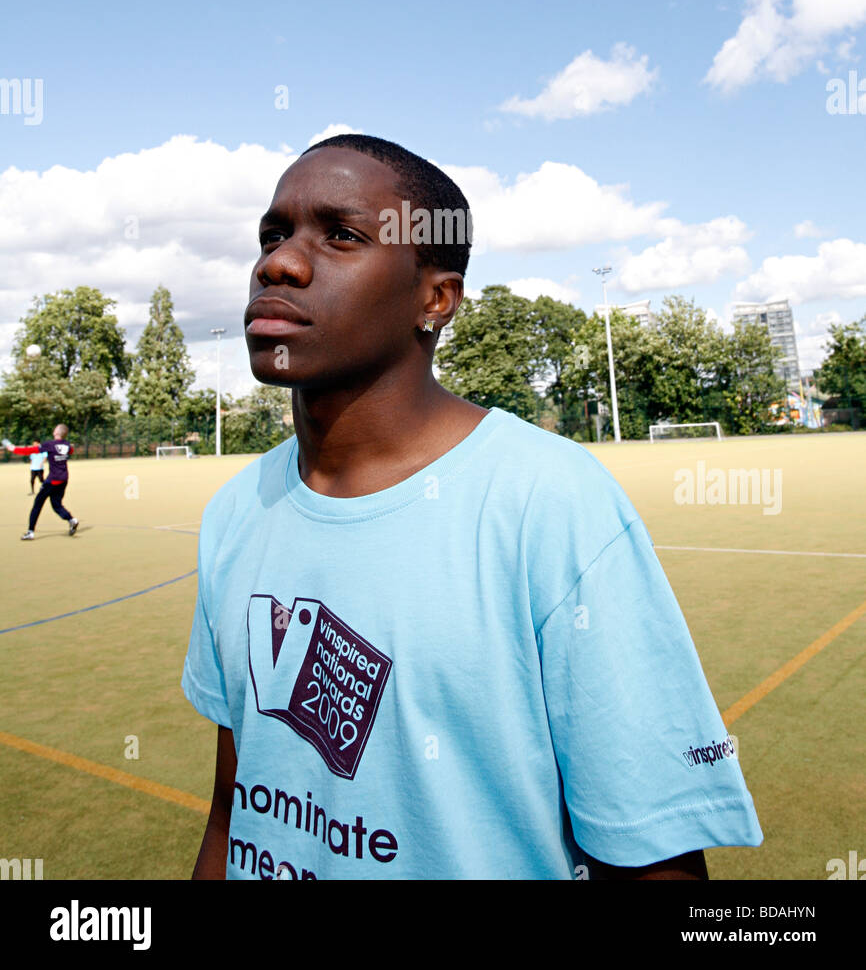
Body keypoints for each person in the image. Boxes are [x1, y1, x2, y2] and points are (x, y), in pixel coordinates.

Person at [182, 134, 763, 881]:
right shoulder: (237, 511)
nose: (280, 262)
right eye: (274, 234)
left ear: (435, 299)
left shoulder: (548, 503)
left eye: (342, 235)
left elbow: (655, 866)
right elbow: (233, 807)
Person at [5, 425, 80, 540]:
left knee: (37, 505)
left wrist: (14, 449)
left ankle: (30, 532)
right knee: (57, 505)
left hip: (52, 480)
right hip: (64, 479)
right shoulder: (67, 445)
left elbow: (31, 450)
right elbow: (71, 450)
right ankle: (71, 520)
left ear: (56, 432)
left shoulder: (50, 444)